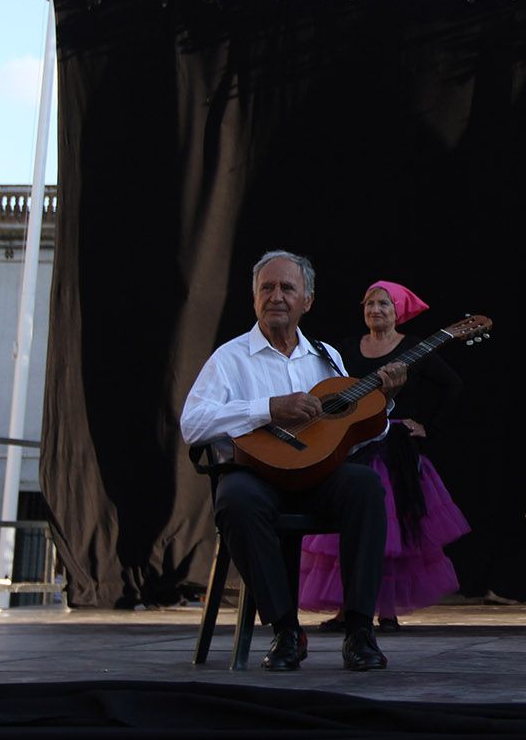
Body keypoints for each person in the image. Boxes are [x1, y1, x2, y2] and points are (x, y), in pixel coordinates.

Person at [180, 250, 405, 672]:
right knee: (235, 499)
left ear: (308, 300)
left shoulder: (327, 358)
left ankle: (359, 631)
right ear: (254, 299)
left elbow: (351, 441)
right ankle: (286, 630)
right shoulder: (230, 359)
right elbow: (192, 424)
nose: (277, 296)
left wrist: (384, 403)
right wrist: (267, 408)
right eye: (267, 287)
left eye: (287, 287)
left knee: (365, 487)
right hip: (257, 479)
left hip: (317, 479)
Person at [298, 280, 470, 632]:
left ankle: (386, 610)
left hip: (394, 451)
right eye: (370, 304)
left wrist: (428, 426)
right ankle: (348, 609)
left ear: (397, 312)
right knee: (342, 531)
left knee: (391, 533)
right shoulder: (345, 349)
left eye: (384, 304)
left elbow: (453, 386)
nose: (376, 310)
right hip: (352, 445)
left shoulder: (414, 349)